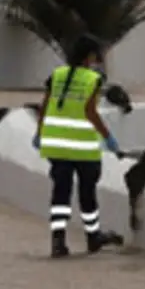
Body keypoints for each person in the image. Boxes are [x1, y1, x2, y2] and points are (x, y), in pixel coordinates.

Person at [32, 34, 124, 258]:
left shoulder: (57, 75)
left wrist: (39, 133)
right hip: (83, 147)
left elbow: (44, 106)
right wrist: (109, 138)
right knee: (87, 192)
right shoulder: (92, 79)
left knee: (60, 191)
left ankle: (58, 241)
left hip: (56, 146)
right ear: (89, 56)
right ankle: (93, 237)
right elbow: (90, 112)